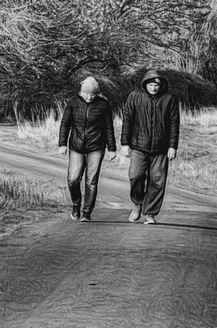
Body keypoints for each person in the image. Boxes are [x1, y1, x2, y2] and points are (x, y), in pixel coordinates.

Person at [119, 69, 180, 223]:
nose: (154, 88)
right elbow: (127, 120)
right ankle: (137, 203)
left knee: (157, 180)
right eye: (151, 84)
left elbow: (174, 124)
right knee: (135, 176)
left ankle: (150, 213)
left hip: (161, 148)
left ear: (161, 86)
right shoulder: (135, 96)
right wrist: (125, 143)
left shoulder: (169, 99)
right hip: (138, 145)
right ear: (145, 84)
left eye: (156, 85)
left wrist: (173, 146)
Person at [56, 76, 117, 221]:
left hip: (96, 146)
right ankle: (76, 205)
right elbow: (65, 124)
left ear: (97, 94)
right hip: (76, 145)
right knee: (73, 178)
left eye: (92, 94)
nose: (89, 97)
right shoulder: (73, 102)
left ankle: (86, 212)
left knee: (91, 180)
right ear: (81, 93)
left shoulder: (103, 105)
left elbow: (109, 127)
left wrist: (112, 148)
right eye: (86, 94)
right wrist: (62, 144)